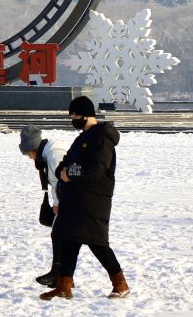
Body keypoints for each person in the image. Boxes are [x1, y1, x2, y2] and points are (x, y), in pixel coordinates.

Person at [41, 96, 130, 301]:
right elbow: (66, 161)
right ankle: (64, 286)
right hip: (75, 199)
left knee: (97, 242)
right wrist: (64, 171)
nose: (74, 119)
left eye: (77, 115)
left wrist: (69, 174)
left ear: (88, 115)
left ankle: (120, 283)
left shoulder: (102, 139)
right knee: (68, 239)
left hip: (93, 200)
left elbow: (96, 169)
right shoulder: (83, 137)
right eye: (72, 116)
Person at [18, 125, 65, 288]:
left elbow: (61, 182)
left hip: (74, 199)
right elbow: (54, 183)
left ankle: (59, 275)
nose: (30, 158)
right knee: (63, 236)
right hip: (70, 199)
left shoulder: (54, 155)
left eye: (28, 154)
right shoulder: (48, 154)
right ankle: (61, 276)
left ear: (33, 148)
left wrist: (58, 203)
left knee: (62, 235)